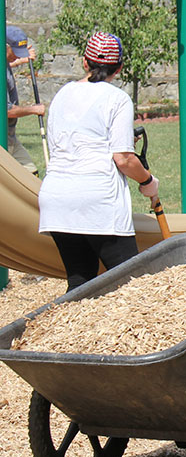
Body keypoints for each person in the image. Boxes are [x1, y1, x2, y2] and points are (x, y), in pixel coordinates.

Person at [37, 32, 159, 293]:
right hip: (98, 202)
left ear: (85, 62)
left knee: (80, 284)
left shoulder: (62, 94)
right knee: (129, 287)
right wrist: (148, 181)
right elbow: (123, 159)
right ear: (120, 68)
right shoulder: (118, 99)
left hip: (57, 199)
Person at [6, 26, 45, 176]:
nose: (17, 55)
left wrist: (21, 60)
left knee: (32, 175)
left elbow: (7, 65)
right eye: (15, 51)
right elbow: (7, 110)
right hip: (3, 139)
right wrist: (34, 109)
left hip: (10, 135)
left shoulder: (5, 61)